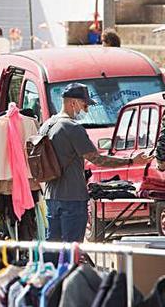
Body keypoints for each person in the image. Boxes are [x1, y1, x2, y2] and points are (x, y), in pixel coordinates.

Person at [41, 83, 152, 242]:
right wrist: (131, 160)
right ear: (73, 103)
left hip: (51, 197)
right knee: (73, 249)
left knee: (52, 246)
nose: (87, 110)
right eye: (85, 105)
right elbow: (97, 159)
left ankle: (50, 268)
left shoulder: (47, 125)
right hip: (72, 198)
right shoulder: (72, 127)